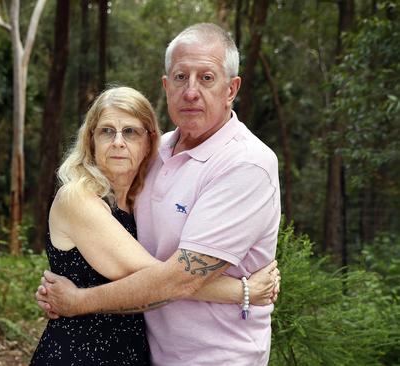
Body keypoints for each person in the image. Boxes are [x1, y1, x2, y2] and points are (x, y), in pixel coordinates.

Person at [36, 23, 281, 365]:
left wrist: (78, 301)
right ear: (166, 86)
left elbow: (177, 280)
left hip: (215, 357)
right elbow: (155, 272)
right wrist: (242, 290)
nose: (191, 91)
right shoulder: (155, 153)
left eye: (206, 78)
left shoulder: (246, 164)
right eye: (181, 78)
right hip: (146, 352)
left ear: (231, 89)